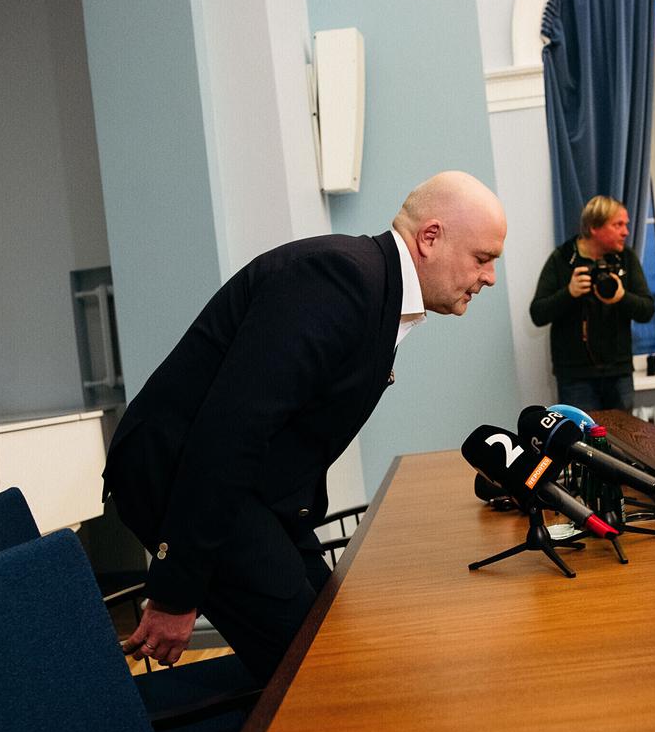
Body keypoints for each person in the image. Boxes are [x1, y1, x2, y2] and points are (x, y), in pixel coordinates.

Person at [104, 171, 508, 681]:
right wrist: (174, 592)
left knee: (330, 637)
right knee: (318, 672)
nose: (490, 277)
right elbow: (231, 432)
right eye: (482, 258)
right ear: (430, 238)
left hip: (247, 493)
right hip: (179, 476)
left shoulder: (373, 284)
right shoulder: (339, 278)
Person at [528, 195, 655, 411]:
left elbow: (647, 310)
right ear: (594, 227)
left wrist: (621, 297)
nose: (626, 232)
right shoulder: (563, 259)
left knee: (623, 442)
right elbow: (537, 314)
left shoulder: (626, 259)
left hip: (619, 373)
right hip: (576, 377)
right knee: (582, 442)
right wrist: (569, 293)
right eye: (618, 225)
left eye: (626, 225)